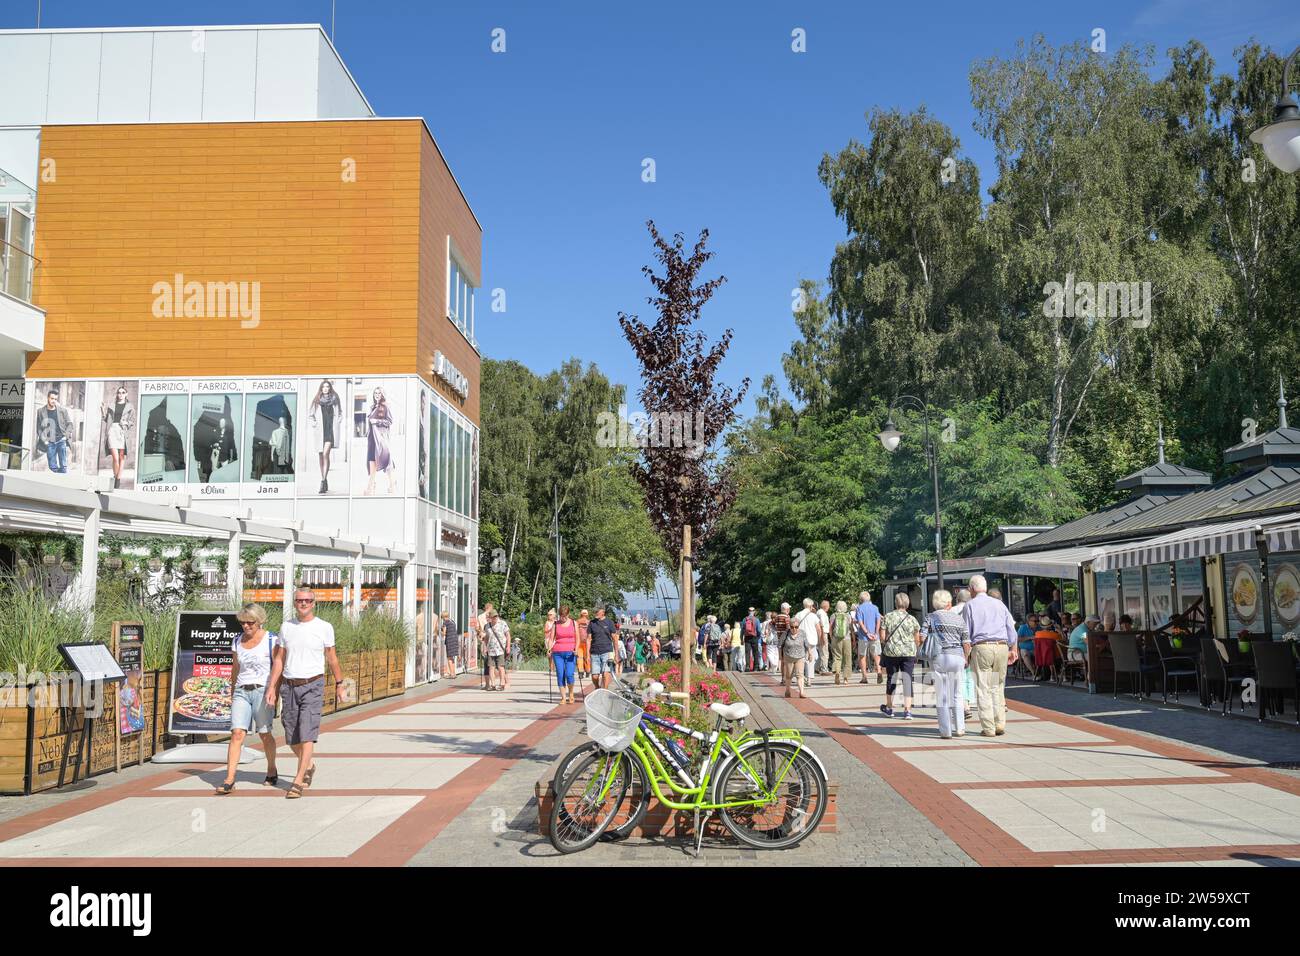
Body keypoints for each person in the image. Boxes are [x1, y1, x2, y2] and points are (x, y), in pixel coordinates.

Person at [266, 588, 343, 799]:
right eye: (300, 600)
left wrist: (340, 683)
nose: (303, 604)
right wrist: (272, 687)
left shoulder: (324, 627)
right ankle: (308, 765)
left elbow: (332, 658)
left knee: (307, 733)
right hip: (289, 685)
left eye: (308, 600)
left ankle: (298, 780)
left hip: (313, 685)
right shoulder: (287, 627)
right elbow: (279, 659)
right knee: (291, 736)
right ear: (294, 602)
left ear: (314, 603)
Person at [216, 603, 280, 794]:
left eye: (250, 622)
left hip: (262, 690)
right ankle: (229, 778)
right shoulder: (236, 641)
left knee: (265, 734)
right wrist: (231, 688)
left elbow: (278, 666)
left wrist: (274, 690)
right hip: (241, 691)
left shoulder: (271, 639)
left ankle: (271, 768)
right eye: (243, 623)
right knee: (237, 733)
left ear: (259, 621)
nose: (246, 626)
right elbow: (235, 668)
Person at [960, 574, 1018, 737]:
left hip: (982, 647)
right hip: (1001, 647)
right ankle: (1000, 723)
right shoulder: (999, 604)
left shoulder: (969, 606)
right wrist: (1013, 649)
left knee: (983, 688)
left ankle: (988, 727)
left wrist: (966, 655)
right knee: (997, 686)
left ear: (971, 589)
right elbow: (1011, 630)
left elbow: (966, 633)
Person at [921, 590, 971, 738]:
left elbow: (921, 637)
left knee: (942, 695)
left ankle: (946, 730)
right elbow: (966, 643)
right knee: (958, 693)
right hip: (957, 657)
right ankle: (960, 728)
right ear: (949, 603)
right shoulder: (959, 619)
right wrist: (966, 658)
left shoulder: (930, 617)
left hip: (939, 657)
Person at [879, 593, 921, 719]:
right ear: (907, 604)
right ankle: (907, 710)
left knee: (891, 678)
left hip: (892, 652)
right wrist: (915, 650)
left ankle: (889, 708)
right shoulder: (912, 619)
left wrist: (890, 642)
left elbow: (882, 637)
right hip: (908, 652)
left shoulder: (888, 617)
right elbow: (917, 639)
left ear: (896, 603)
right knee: (907, 679)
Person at [308, 379, 342, 494]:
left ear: (330, 388)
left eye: (327, 386)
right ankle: (325, 479)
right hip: (320, 431)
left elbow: (340, 413)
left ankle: (322, 481)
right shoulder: (317, 401)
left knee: (326, 453)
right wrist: (314, 424)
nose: (326, 388)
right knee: (321, 456)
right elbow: (310, 415)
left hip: (330, 431)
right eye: (324, 387)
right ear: (321, 388)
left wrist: (338, 421)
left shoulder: (335, 399)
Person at [101, 385, 135, 489]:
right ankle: (116, 477)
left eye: (123, 392)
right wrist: (103, 410)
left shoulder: (130, 407)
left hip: (122, 431)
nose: (120, 394)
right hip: (112, 430)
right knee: (115, 458)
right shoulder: (112, 405)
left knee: (121, 457)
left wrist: (126, 423)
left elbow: (132, 421)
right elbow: (107, 419)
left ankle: (117, 480)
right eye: (119, 392)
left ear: (126, 394)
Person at [550, 606, 579, 704]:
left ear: (568, 614)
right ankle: (563, 697)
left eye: (565, 616)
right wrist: (549, 649)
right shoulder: (555, 624)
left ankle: (571, 693)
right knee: (560, 674)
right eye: (561, 616)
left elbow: (578, 638)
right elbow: (551, 639)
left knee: (569, 674)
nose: (563, 618)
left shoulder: (574, 623)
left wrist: (576, 648)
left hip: (571, 652)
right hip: (557, 652)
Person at [38, 390, 72, 473]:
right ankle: (58, 479)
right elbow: (39, 427)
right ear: (48, 398)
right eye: (52, 398)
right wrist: (44, 440)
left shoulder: (62, 411)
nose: (54, 401)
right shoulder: (40, 411)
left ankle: (62, 481)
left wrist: (65, 437)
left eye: (56, 399)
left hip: (61, 440)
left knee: (63, 466)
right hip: (49, 442)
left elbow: (70, 424)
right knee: (52, 466)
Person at [854, 590, 883, 685]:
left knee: (862, 656)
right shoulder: (875, 607)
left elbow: (860, 622)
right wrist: (875, 632)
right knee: (876, 655)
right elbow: (878, 620)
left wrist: (867, 633)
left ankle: (864, 676)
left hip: (863, 636)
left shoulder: (859, 608)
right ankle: (879, 671)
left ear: (861, 599)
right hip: (875, 636)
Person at [779, 602, 807, 698]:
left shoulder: (802, 633)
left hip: (800, 656)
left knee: (800, 675)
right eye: (792, 627)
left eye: (796, 627)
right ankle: (787, 690)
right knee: (789, 675)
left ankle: (801, 692)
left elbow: (806, 644)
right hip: (788, 656)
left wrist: (810, 653)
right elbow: (780, 645)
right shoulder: (785, 633)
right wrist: (780, 657)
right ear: (789, 626)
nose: (794, 629)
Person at [587, 606, 617, 690]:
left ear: (603, 612)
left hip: (607, 651)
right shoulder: (592, 623)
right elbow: (588, 639)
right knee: (595, 676)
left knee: (605, 673)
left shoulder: (609, 622)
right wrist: (587, 654)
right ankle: (597, 687)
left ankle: (605, 691)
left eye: (597, 611)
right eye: (595, 611)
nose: (595, 613)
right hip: (594, 652)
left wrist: (616, 654)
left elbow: (615, 638)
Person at [481, 608, 511, 691]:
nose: (495, 618)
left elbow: (508, 635)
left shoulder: (502, 624)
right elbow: (486, 637)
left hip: (500, 649)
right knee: (491, 667)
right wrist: (485, 647)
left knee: (501, 667)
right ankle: (493, 684)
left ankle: (502, 683)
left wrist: (508, 646)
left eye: (496, 616)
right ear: (490, 617)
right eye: (493, 617)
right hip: (491, 650)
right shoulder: (487, 626)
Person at [796, 598, 822, 686]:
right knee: (811, 660)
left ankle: (801, 677)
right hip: (812, 641)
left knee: (802, 659)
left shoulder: (798, 614)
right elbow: (818, 629)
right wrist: (819, 639)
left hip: (801, 640)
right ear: (811, 606)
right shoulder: (814, 616)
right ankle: (809, 679)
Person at [829, 600, 854, 685]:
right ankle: (846, 679)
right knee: (847, 658)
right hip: (847, 639)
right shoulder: (848, 616)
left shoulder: (833, 615)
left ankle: (837, 673)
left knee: (837, 657)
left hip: (836, 639)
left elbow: (830, 628)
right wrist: (853, 639)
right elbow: (851, 629)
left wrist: (832, 637)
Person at [1017, 613, 1040, 680]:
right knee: (1025, 654)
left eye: (1037, 621)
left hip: (1036, 649)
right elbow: (1018, 639)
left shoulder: (1039, 628)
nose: (1036, 623)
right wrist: (1030, 638)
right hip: (1025, 649)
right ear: (1028, 621)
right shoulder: (1023, 627)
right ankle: (1034, 673)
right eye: (1035, 621)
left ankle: (1045, 673)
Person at [741, 607, 762, 672]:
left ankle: (747, 667)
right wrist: (758, 636)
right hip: (754, 637)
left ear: (748, 611)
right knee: (755, 652)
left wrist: (741, 638)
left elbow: (742, 630)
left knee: (747, 652)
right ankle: (756, 667)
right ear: (754, 612)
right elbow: (758, 630)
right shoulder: (756, 619)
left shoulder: (745, 619)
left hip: (747, 637)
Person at [575, 609, 592, 686]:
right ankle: (587, 671)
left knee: (580, 658)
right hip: (587, 642)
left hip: (579, 642)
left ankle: (581, 672)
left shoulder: (577, 622)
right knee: (587, 657)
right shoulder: (589, 622)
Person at [815, 600, 832, 675]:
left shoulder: (820, 612)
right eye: (828, 606)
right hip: (823, 633)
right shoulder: (821, 613)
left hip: (822, 633)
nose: (829, 607)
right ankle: (824, 669)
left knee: (822, 652)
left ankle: (815, 667)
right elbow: (821, 625)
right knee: (825, 652)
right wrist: (822, 637)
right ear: (826, 606)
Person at [441, 609, 459, 677]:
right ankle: (453, 673)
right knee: (452, 657)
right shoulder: (452, 621)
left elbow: (444, 633)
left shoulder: (445, 622)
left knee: (449, 657)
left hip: (450, 640)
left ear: (443, 616)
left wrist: (439, 631)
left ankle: (452, 674)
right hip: (455, 640)